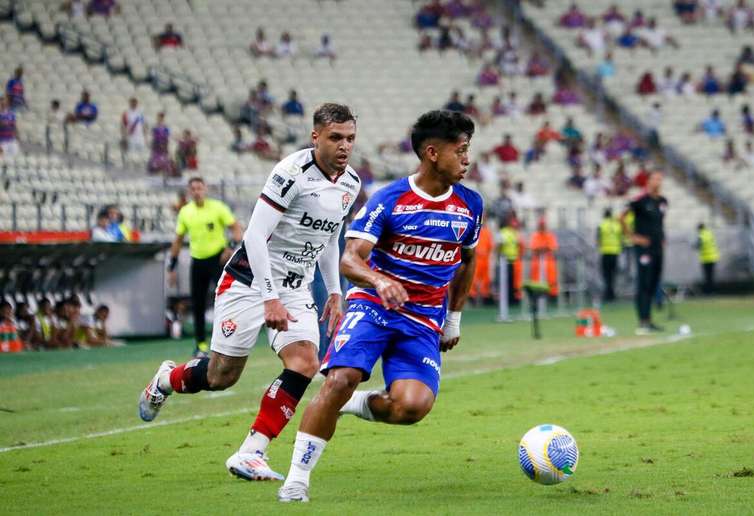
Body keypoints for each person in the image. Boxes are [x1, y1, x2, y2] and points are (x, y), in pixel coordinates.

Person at [139, 104, 360, 482]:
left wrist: (335, 291)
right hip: (248, 282)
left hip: (294, 287)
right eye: (336, 137)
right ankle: (165, 380)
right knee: (221, 376)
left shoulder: (351, 183)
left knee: (306, 362)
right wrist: (268, 296)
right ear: (316, 137)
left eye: (350, 138)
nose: (344, 146)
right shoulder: (291, 173)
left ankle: (251, 451)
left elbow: (328, 238)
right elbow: (255, 235)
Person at [276, 110, 482, 502]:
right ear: (433, 153)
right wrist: (380, 279)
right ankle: (297, 479)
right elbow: (350, 258)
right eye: (462, 150)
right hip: (374, 306)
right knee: (340, 378)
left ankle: (352, 405)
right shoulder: (390, 199)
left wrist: (453, 319)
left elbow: (467, 261)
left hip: (424, 319)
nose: (467, 159)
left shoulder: (470, 205)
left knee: (412, 407)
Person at [166, 177, 243, 357]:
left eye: (199, 188)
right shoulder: (185, 212)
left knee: (226, 300)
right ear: (189, 191)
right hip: (198, 261)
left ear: (205, 189)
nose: (196, 191)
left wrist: (230, 247)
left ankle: (230, 340)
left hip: (218, 260)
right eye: (193, 188)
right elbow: (177, 240)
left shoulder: (217, 207)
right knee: (198, 304)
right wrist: (172, 266)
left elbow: (237, 229)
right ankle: (200, 345)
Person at [622, 171, 668, 335]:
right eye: (655, 178)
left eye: (660, 178)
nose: (658, 181)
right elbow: (621, 216)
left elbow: (659, 223)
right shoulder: (640, 200)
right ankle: (642, 321)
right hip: (644, 249)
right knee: (644, 283)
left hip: (657, 248)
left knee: (654, 283)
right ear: (648, 181)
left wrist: (662, 238)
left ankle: (649, 320)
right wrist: (633, 237)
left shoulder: (663, 202)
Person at [497, 214, 524, 305]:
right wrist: (499, 257)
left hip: (515, 260)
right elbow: (499, 246)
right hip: (506, 261)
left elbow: (519, 245)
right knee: (506, 282)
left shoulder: (515, 232)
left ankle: (514, 299)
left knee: (514, 282)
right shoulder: (503, 232)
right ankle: (506, 300)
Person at [529, 218, 559, 298]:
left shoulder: (550, 236)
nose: (542, 227)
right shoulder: (535, 236)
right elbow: (535, 248)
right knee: (537, 282)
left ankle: (551, 297)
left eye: (543, 225)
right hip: (537, 264)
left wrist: (542, 249)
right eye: (540, 225)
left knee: (550, 281)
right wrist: (544, 248)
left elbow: (552, 248)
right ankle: (537, 297)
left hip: (548, 263)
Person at [598, 208, 623, 301]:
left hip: (605, 252)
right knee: (613, 275)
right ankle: (612, 294)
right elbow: (621, 237)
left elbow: (598, 240)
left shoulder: (602, 225)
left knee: (606, 275)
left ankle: (608, 294)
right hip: (615, 252)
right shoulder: (617, 225)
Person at [471, 214, 494, 305]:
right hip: (476, 258)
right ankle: (472, 297)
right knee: (474, 278)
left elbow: (490, 246)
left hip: (485, 259)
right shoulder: (475, 230)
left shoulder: (487, 232)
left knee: (485, 279)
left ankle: (485, 296)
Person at [696, 223, 720, 294]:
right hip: (713, 257)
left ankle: (708, 291)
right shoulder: (709, 233)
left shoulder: (701, 235)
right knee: (711, 276)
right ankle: (713, 290)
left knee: (707, 277)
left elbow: (698, 245)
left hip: (706, 259)